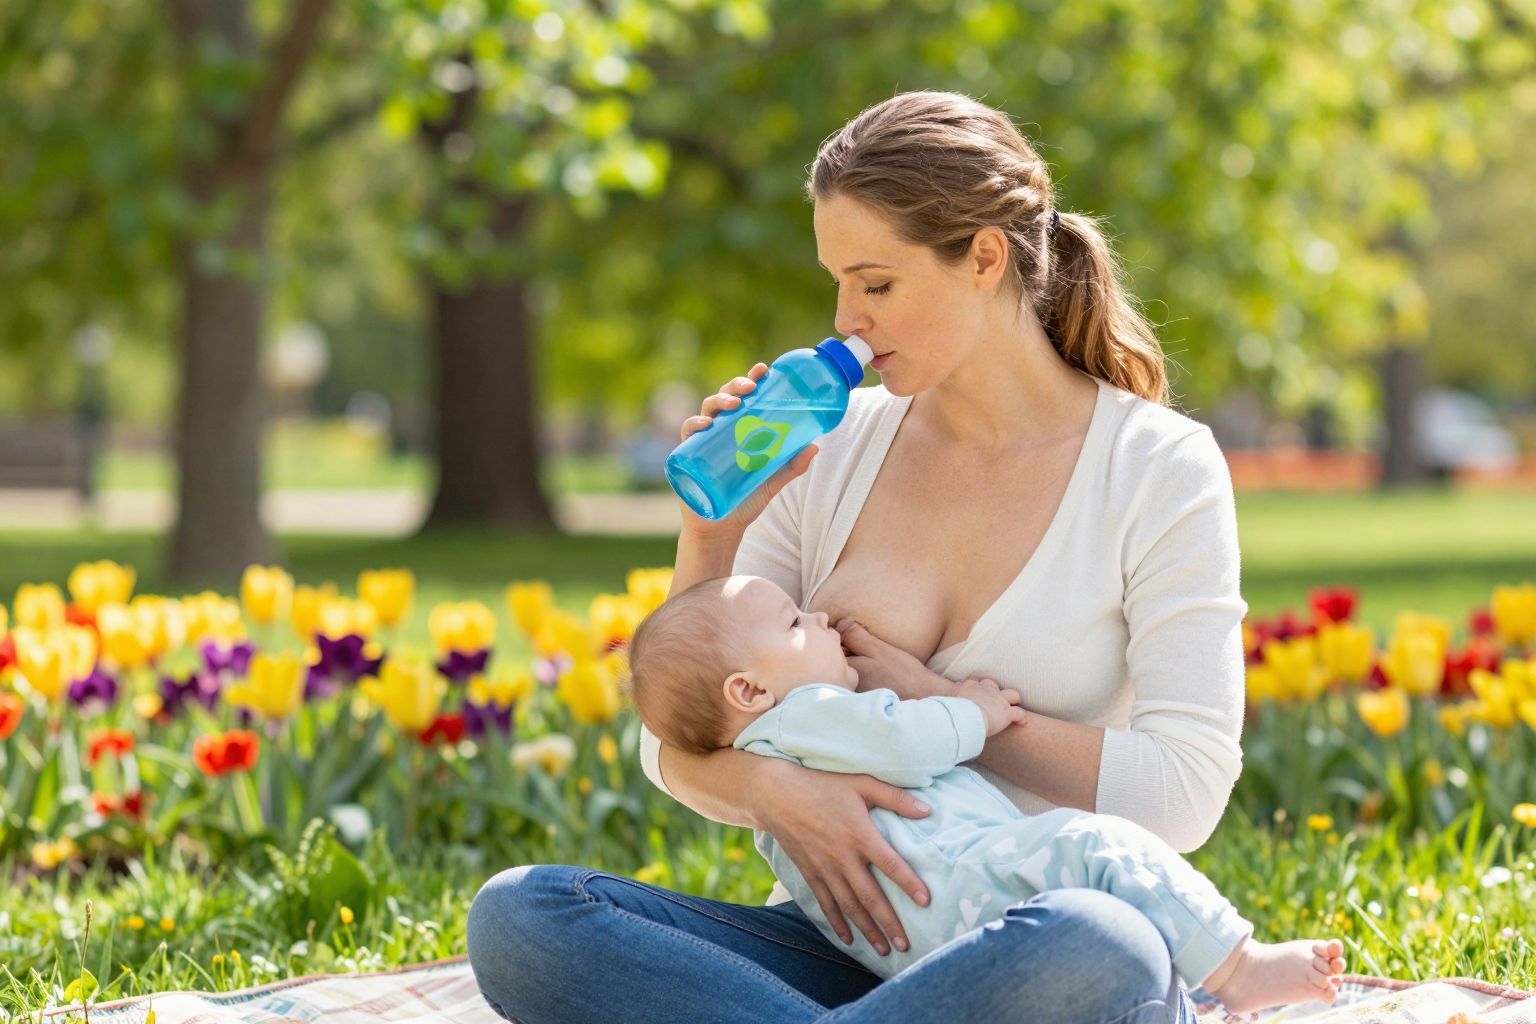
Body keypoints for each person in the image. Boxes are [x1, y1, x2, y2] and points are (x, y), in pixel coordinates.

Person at [469, 89, 1254, 1023]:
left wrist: (944, 708)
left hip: (1033, 949)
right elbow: (677, 740)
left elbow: (1181, 792)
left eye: (876, 284)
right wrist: (714, 552)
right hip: (840, 942)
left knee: (1110, 942)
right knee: (525, 915)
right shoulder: (830, 447)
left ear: (984, 258)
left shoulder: (1156, 466)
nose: (847, 320)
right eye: (837, 282)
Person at [624, 573, 1347, 1015]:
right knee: (1098, 848)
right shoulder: (807, 717)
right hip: (965, 885)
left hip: (907, 950)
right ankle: (1240, 970)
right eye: (794, 623)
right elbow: (905, 744)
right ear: (748, 691)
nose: (816, 619)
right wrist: (970, 709)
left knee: (1108, 932)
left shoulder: (772, 736)